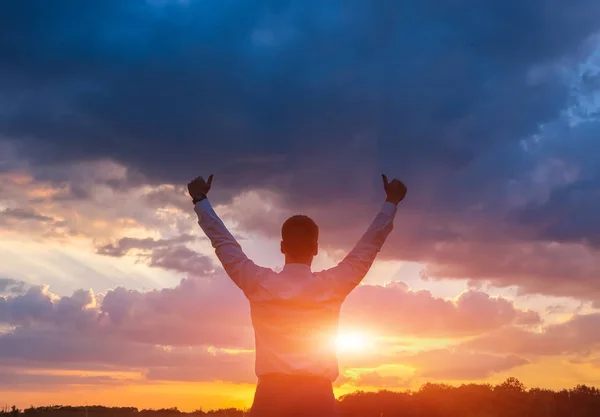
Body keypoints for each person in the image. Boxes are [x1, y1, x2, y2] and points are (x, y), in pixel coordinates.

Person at [187, 174, 407, 417]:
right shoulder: (332, 285)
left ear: (282, 247)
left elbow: (224, 243)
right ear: (315, 248)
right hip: (319, 400)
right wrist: (391, 202)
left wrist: (200, 199)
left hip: (270, 399)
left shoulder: (259, 284)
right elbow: (369, 246)